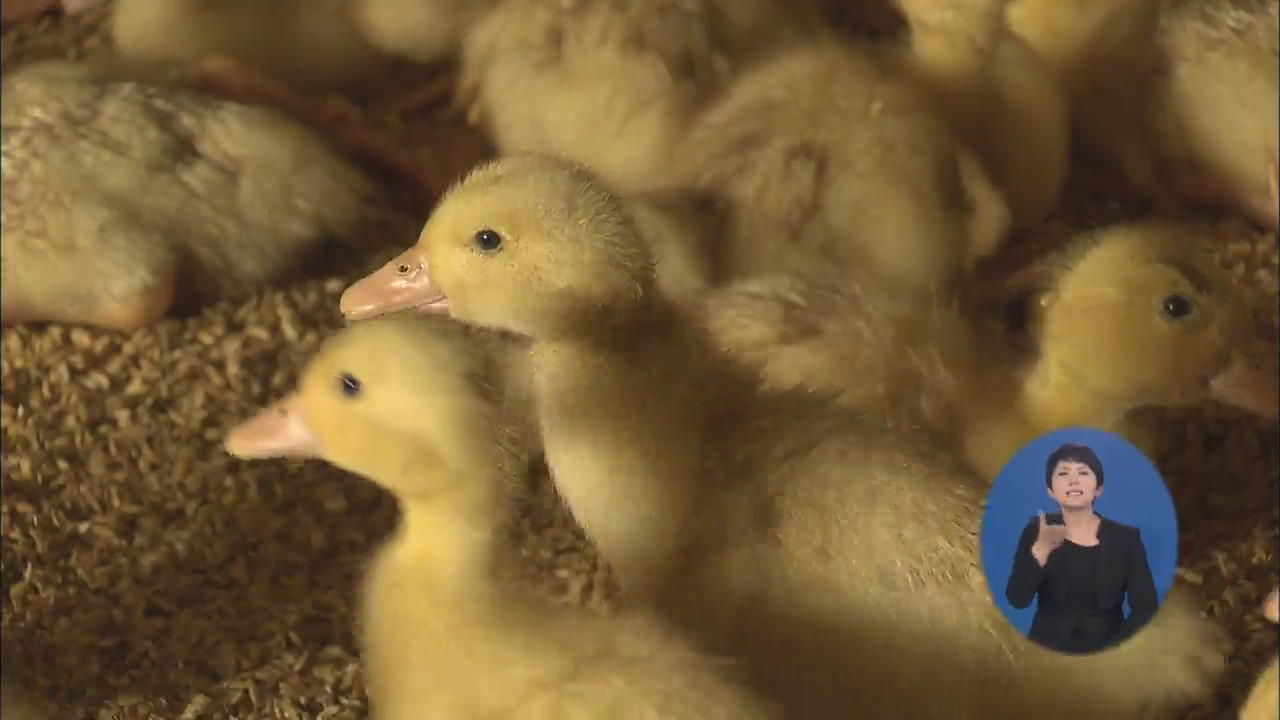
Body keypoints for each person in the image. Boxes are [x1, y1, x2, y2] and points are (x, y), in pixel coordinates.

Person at [1004, 442, 1159, 654]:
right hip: (1045, 651)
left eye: (1083, 472)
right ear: (1050, 490)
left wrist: (1116, 650)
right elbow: (1017, 600)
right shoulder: (1037, 530)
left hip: (1108, 655)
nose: (1073, 480)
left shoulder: (1126, 538)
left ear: (1098, 489)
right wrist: (1041, 550)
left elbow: (1145, 607)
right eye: (1063, 473)